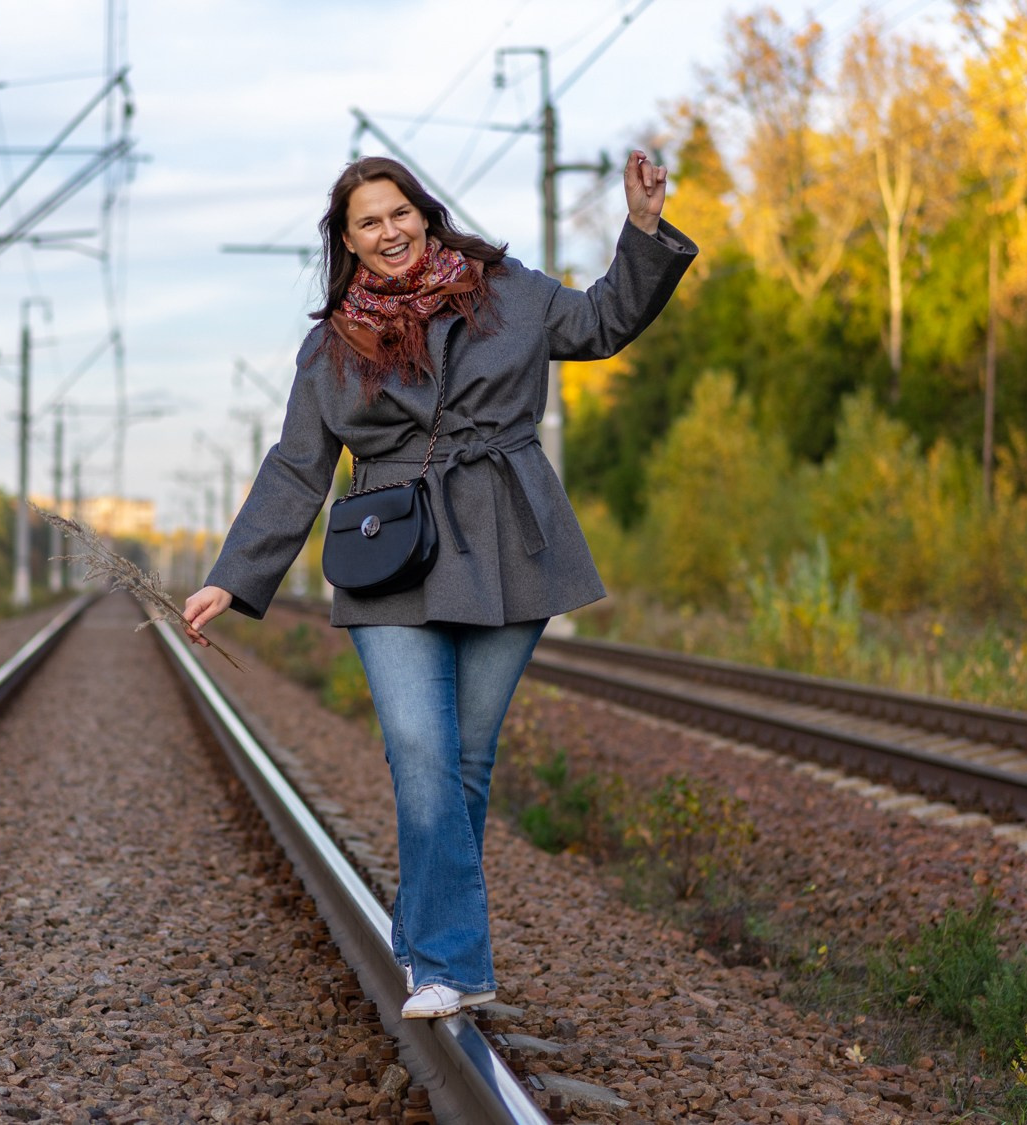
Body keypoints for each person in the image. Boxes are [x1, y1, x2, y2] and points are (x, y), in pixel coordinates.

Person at [182, 151, 695, 1019]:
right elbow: (297, 467)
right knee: (420, 748)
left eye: (399, 213)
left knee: (463, 763)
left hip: (509, 541)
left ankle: (428, 940)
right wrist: (232, 578)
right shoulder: (332, 345)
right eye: (367, 224)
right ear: (346, 243)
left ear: (425, 213)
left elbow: (605, 322)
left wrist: (641, 227)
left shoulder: (510, 292)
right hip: (391, 551)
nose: (389, 233)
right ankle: (453, 964)